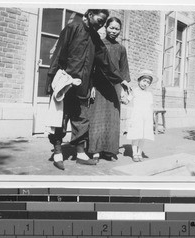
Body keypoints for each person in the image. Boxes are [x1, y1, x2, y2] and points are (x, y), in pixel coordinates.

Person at [46, 9, 123, 170]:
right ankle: (58, 152)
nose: (101, 25)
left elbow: (106, 62)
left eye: (103, 22)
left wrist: (121, 80)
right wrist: (51, 79)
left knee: (81, 119)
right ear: (89, 15)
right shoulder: (72, 28)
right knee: (60, 118)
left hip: (82, 86)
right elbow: (58, 53)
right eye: (100, 20)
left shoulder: (95, 38)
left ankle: (81, 154)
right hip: (64, 84)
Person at [88, 17, 131, 162]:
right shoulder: (98, 45)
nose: (114, 31)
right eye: (111, 27)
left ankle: (109, 150)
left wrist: (124, 91)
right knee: (97, 118)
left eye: (117, 29)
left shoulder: (121, 48)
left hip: (114, 88)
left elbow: (124, 71)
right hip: (99, 86)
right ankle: (95, 151)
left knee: (112, 119)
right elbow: (91, 68)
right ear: (106, 27)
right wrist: (91, 86)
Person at [126, 70, 155, 162]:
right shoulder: (134, 91)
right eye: (144, 81)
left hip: (146, 117)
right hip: (137, 116)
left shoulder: (149, 94)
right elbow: (127, 100)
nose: (145, 84)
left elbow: (150, 106)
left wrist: (152, 118)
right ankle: (134, 153)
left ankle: (140, 152)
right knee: (136, 135)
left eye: (148, 82)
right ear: (139, 81)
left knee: (143, 136)